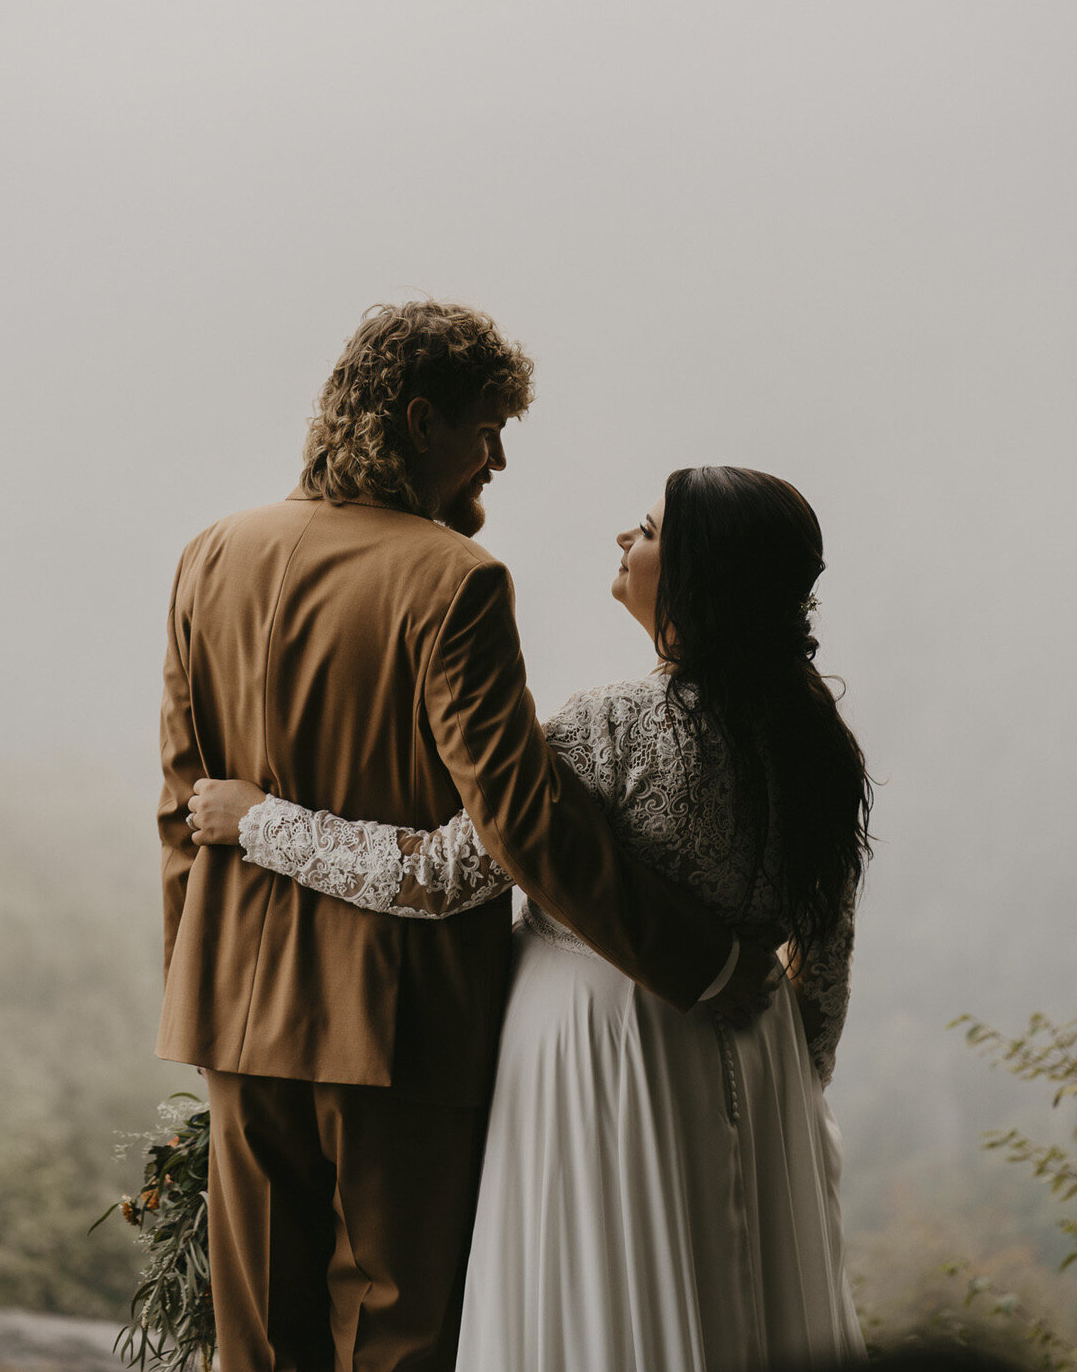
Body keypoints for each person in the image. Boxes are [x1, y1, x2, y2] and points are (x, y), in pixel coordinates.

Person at [157, 301, 779, 1372]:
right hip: (401, 1018)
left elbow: (184, 809)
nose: (497, 455)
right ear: (417, 419)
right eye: (488, 427)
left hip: (239, 1014)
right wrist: (700, 960)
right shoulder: (455, 579)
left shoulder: (210, 553)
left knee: (257, 1343)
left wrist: (200, 979)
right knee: (396, 1334)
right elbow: (522, 815)